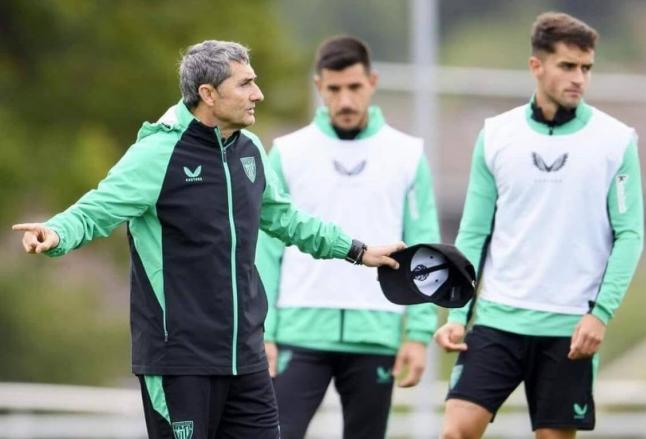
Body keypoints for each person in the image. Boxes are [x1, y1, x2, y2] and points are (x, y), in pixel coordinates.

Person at [12, 40, 405, 439]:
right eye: (245, 84)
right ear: (208, 94)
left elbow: (284, 218)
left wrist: (357, 251)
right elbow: (97, 208)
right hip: (180, 361)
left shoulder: (249, 150)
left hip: (245, 359)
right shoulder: (157, 153)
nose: (258, 94)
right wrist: (57, 231)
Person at [434, 12, 644, 439]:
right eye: (568, 66)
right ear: (537, 66)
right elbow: (474, 233)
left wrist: (599, 315)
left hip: (570, 329)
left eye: (586, 68)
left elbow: (630, 235)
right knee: (456, 430)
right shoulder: (496, 135)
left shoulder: (616, 140)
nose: (579, 78)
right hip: (497, 321)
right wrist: (457, 311)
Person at [255, 36, 440, 439]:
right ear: (319, 86)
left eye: (354, 87)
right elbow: (265, 249)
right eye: (334, 89)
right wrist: (263, 331)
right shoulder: (287, 152)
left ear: (372, 82)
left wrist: (419, 333)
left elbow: (424, 247)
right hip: (296, 333)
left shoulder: (407, 155)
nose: (345, 100)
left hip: (378, 331)